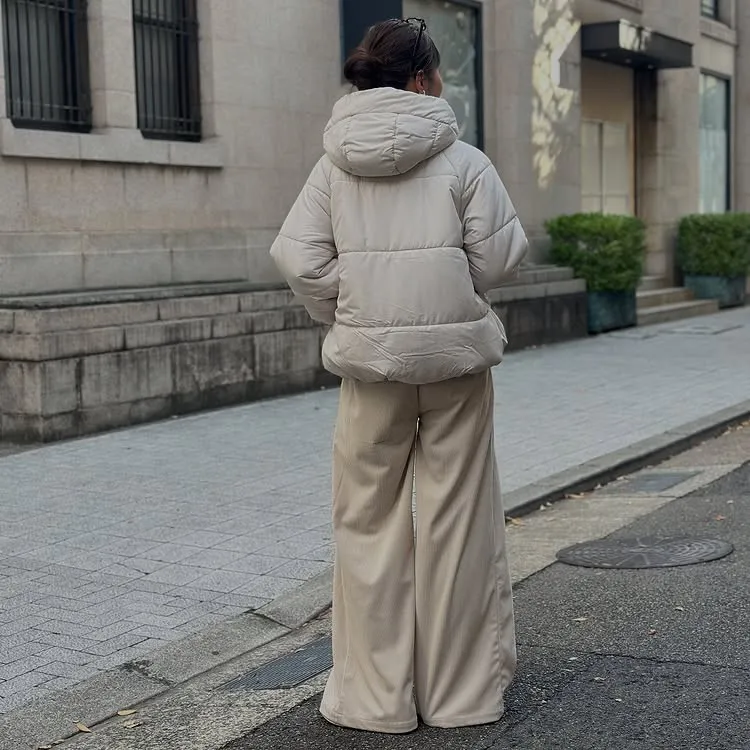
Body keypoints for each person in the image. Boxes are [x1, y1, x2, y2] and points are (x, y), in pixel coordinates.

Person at [270, 17, 528, 735]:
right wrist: (452, 294)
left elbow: (297, 258)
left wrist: (355, 309)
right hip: (455, 366)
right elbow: (501, 258)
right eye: (437, 73)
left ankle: (375, 700)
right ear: (420, 80)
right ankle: (460, 697)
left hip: (371, 371)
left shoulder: (331, 166)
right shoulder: (465, 161)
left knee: (366, 523)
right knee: (459, 523)